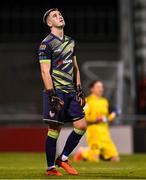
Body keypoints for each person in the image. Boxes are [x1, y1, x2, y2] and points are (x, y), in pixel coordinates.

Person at [38, 8, 86, 176]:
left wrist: (79, 89)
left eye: (60, 14)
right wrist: (51, 94)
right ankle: (51, 168)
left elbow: (75, 67)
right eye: (54, 16)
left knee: (81, 126)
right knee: (54, 130)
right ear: (49, 23)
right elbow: (45, 71)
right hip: (56, 92)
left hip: (71, 92)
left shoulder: (70, 41)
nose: (59, 16)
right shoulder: (46, 44)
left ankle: (63, 158)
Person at [74, 80, 120, 162]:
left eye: (101, 87)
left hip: (105, 134)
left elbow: (105, 119)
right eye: (98, 87)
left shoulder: (104, 101)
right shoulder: (87, 101)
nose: (101, 89)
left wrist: (114, 114)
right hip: (94, 133)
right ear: (92, 89)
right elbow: (84, 117)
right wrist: (95, 119)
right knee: (94, 159)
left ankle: (98, 153)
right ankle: (83, 152)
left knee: (115, 159)